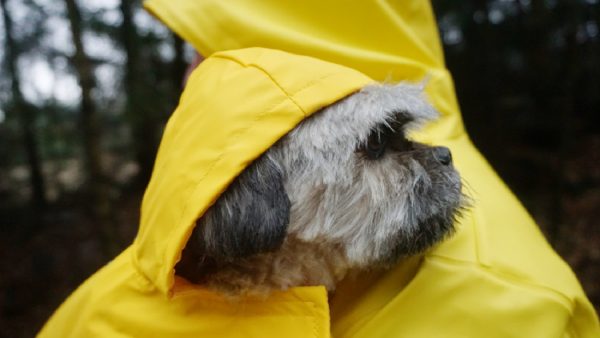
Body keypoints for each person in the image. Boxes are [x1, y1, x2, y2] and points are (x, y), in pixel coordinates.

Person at [39, 1, 599, 337]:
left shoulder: (502, 298)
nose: (197, 77)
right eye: (379, 147)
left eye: (206, 49)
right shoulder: (97, 313)